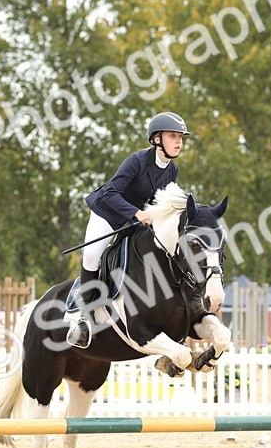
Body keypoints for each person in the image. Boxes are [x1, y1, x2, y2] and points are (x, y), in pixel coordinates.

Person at [67, 111, 191, 348]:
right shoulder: (136, 161)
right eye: (173, 136)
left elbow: (161, 201)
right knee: (93, 255)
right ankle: (81, 318)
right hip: (108, 212)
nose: (178, 142)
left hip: (137, 219)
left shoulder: (172, 170)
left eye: (181, 137)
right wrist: (136, 213)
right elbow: (111, 193)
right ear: (156, 139)